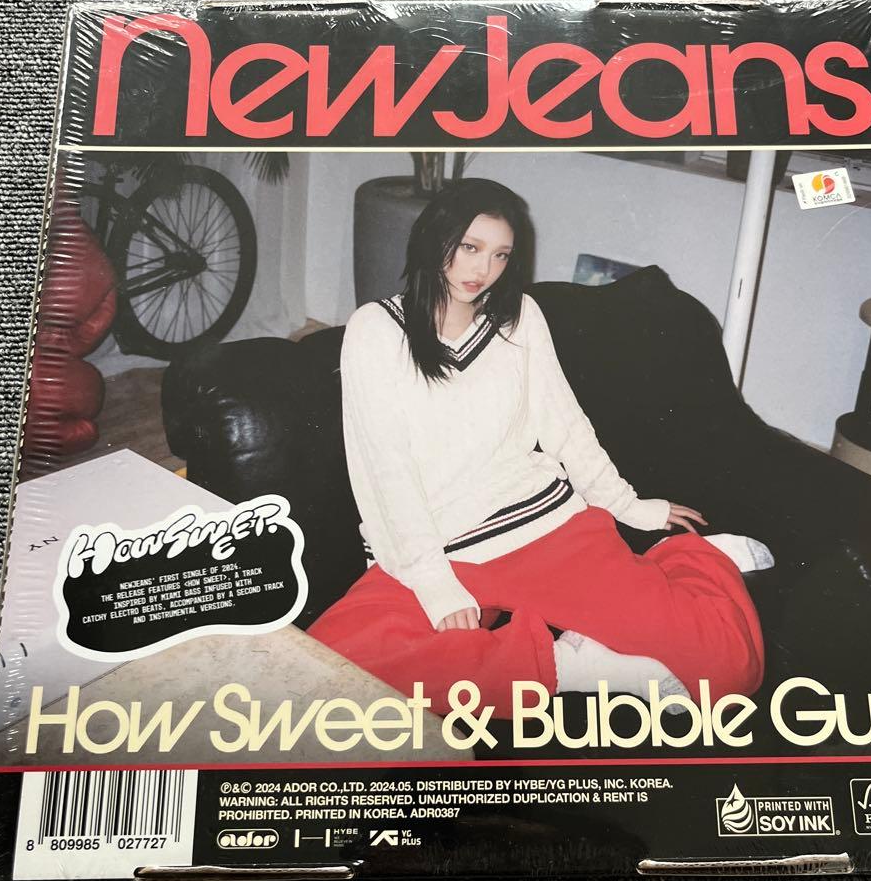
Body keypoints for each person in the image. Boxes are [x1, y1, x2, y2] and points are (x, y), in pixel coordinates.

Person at [309, 178, 769, 718]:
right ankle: (574, 666)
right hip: (435, 549)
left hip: (539, 526)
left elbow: (565, 426)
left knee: (729, 671)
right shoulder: (375, 330)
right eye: (470, 247)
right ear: (435, 238)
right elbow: (383, 468)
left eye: (500, 255)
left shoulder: (520, 317)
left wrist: (627, 506)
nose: (482, 269)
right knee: (329, 667)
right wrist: (434, 583)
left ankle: (691, 560)